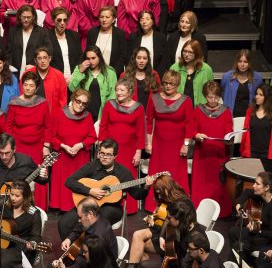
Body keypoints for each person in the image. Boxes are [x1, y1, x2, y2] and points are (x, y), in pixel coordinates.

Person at [63, 138, 147, 230]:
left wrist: (147, 186)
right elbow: (69, 181)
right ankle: (72, 244)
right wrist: (90, 191)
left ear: (115, 156)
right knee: (64, 223)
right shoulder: (92, 166)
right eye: (102, 153)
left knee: (96, 222)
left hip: (112, 208)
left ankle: (90, 243)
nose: (104, 157)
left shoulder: (124, 173)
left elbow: (137, 195)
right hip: (90, 203)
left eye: (108, 154)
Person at [97, 79, 147, 214]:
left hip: (129, 149)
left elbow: (141, 132)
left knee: (126, 177)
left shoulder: (138, 107)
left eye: (122, 90)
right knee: (108, 175)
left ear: (130, 91)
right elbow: (103, 127)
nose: (118, 93)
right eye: (117, 90)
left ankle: (128, 208)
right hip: (110, 149)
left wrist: (138, 152)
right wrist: (101, 148)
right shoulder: (109, 104)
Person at [6, 71, 52, 208]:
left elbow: (48, 126)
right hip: (19, 147)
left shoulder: (43, 103)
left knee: (38, 177)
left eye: (31, 85)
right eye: (25, 85)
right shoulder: (14, 103)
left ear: (36, 88)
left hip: (37, 146)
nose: (27, 88)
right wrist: (11, 147)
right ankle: (17, 206)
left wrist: (46, 145)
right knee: (19, 176)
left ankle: (37, 208)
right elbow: (8, 126)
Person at [47, 90, 97, 214]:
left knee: (79, 181)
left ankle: (78, 206)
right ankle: (59, 207)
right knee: (61, 180)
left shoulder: (88, 116)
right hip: (63, 156)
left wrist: (80, 145)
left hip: (80, 157)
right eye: (78, 101)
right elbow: (52, 137)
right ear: (73, 99)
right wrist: (64, 146)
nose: (80, 105)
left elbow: (92, 137)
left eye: (84, 103)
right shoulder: (60, 113)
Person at [146, 69, 195, 197]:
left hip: (177, 146)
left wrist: (186, 144)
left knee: (176, 174)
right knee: (157, 174)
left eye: (171, 84)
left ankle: (177, 201)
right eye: (165, 83)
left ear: (177, 84)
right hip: (158, 145)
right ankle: (154, 203)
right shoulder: (154, 98)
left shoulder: (186, 101)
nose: (168, 86)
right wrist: (149, 143)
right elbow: (149, 121)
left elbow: (190, 125)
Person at [191, 81, 234, 212]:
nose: (213, 100)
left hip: (219, 153)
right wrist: (196, 135)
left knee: (218, 182)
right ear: (205, 96)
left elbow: (229, 131)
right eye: (210, 97)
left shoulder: (225, 111)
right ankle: (201, 209)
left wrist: (229, 139)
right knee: (202, 183)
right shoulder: (198, 110)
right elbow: (192, 129)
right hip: (203, 153)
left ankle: (221, 211)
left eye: (216, 97)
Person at [235, 171, 272, 254]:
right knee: (233, 233)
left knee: (240, 245)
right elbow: (247, 192)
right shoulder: (262, 195)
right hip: (263, 231)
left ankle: (247, 263)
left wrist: (257, 230)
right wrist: (238, 206)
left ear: (266, 188)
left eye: (257, 184)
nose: (253, 186)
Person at [68, 46, 117, 121]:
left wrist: (107, 114)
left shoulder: (110, 72)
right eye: (88, 58)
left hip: (102, 113)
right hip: (83, 112)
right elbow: (72, 89)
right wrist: (80, 71)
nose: (90, 61)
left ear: (99, 58)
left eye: (93, 58)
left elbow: (113, 95)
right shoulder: (79, 69)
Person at [241, 83, 272, 160]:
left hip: (267, 154)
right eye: (256, 94)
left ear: (268, 97)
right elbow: (245, 133)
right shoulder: (250, 111)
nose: (257, 97)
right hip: (251, 152)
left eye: (261, 95)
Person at [220, 49, 263, 119]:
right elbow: (223, 93)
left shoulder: (257, 78)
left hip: (249, 116)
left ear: (249, 63)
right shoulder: (227, 77)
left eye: (245, 62)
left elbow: (259, 97)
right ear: (236, 62)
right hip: (231, 116)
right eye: (240, 61)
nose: (242, 64)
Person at [25, 46, 68, 113]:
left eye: (45, 58)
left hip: (53, 116)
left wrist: (59, 115)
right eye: (39, 58)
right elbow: (22, 96)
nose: (43, 61)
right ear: (35, 60)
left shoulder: (59, 75)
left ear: (50, 58)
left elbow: (63, 100)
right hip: (32, 114)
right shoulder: (28, 74)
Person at [170, 39, 213, 106]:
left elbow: (211, 91)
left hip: (200, 109)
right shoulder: (175, 68)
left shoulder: (206, 69)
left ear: (197, 53)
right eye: (184, 51)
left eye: (190, 52)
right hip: (178, 108)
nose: (186, 54)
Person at [131, 10, 170, 77]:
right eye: (141, 19)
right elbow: (130, 58)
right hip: (137, 75)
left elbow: (164, 59)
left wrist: (158, 75)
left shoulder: (161, 37)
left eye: (147, 19)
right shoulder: (134, 37)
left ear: (153, 22)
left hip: (156, 75)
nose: (144, 22)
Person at [91, 6, 129, 72]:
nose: (104, 20)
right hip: (94, 73)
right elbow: (88, 53)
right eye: (101, 17)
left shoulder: (120, 34)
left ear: (113, 19)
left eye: (107, 17)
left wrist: (113, 73)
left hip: (113, 72)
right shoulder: (92, 32)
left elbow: (123, 56)